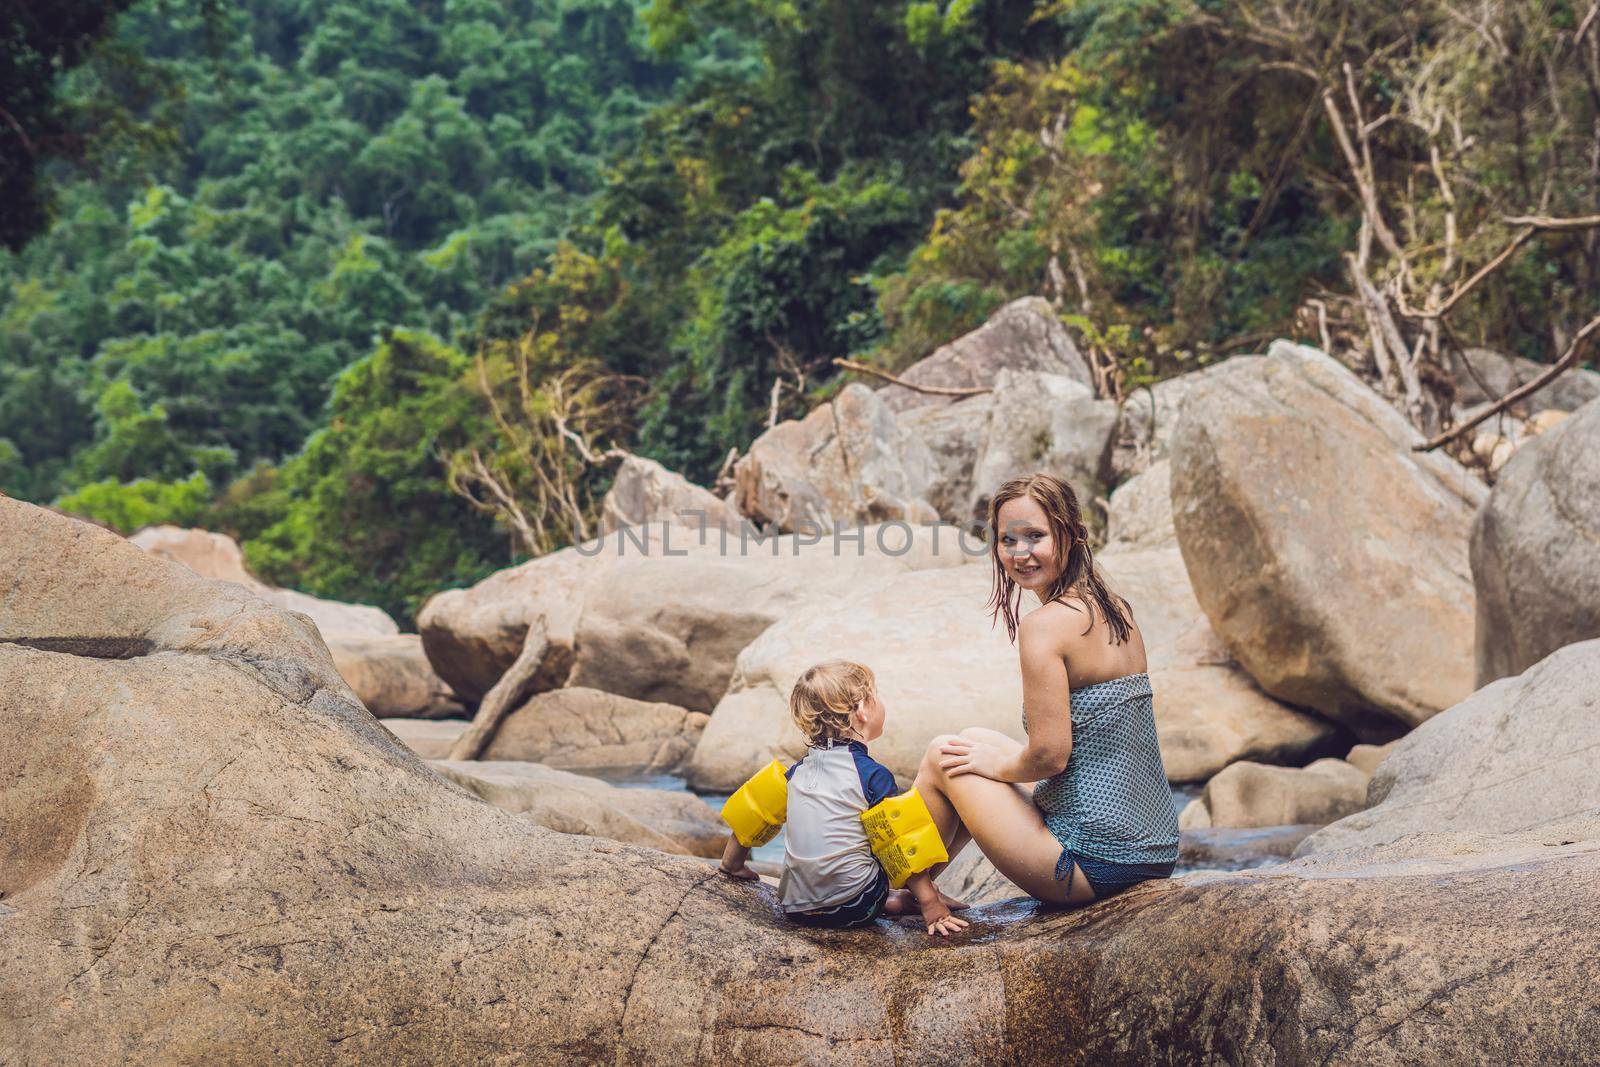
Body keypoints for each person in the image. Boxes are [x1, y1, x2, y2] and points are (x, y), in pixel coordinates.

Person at [911, 472, 1180, 908]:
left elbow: (1050, 757)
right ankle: (917, 886)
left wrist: (997, 766)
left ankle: (903, 888)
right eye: (1007, 540)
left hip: (1092, 863)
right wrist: (990, 758)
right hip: (1155, 850)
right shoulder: (1112, 607)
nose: (1020, 553)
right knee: (972, 741)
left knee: (945, 754)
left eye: (1035, 536)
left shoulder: (1046, 626)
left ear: (1071, 535)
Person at [718, 660, 970, 935]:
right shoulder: (872, 776)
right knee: (896, 829)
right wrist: (931, 904)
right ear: (862, 710)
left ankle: (889, 899)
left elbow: (754, 815)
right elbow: (898, 842)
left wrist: (732, 865)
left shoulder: (796, 773)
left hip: (796, 908)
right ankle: (898, 899)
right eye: (876, 696)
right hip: (857, 906)